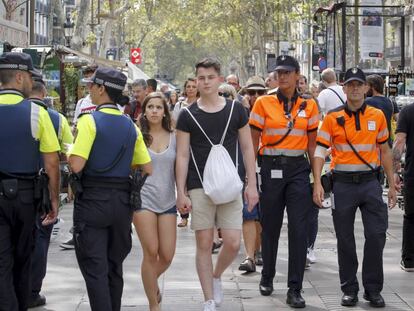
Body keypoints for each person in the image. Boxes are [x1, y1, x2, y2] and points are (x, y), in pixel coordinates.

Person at [176, 58, 258, 311]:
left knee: (233, 242)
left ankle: (216, 275)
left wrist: (252, 184)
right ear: (196, 81)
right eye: (201, 78)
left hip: (230, 184)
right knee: (204, 243)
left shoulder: (236, 110)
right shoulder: (187, 115)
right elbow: (182, 155)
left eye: (210, 77)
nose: (205, 82)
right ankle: (209, 299)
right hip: (199, 184)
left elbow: (247, 147)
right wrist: (181, 192)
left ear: (220, 79)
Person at [68, 67, 152, 311]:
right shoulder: (130, 126)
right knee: (115, 266)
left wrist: (69, 150)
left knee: (95, 269)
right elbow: (147, 167)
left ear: (102, 89)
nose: (89, 90)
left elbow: (76, 164)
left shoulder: (89, 121)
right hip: (122, 203)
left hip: (93, 200)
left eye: (91, 85)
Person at [313, 67, 397, 308]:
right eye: (350, 84)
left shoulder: (377, 115)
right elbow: (320, 150)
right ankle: (349, 289)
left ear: (365, 87)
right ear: (344, 87)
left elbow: (385, 150)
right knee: (345, 239)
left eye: (359, 84)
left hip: (371, 184)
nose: (355, 88)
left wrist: (392, 184)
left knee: (376, 235)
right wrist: (317, 182)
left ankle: (373, 290)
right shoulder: (332, 118)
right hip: (343, 186)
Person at [249, 55, 319, 308]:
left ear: (298, 75)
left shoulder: (309, 106)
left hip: (299, 170)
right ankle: (267, 276)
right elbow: (252, 141)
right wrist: (250, 178)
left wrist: (317, 180)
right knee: (271, 226)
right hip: (270, 168)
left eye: (288, 72)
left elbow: (312, 146)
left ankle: (295, 288)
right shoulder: (263, 103)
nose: (283, 76)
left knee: (299, 230)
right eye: (279, 72)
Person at [0, 52, 60, 311]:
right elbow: (52, 163)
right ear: (20, 77)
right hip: (26, 197)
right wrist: (54, 199)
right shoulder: (37, 113)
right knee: (24, 258)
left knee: (1, 260)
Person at [28, 76, 74, 308]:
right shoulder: (58, 119)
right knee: (41, 239)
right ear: (44, 93)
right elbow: (67, 153)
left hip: (12, 188)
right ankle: (33, 290)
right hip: (44, 189)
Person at [133, 92, 176, 311]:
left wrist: (184, 194)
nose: (154, 111)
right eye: (150, 107)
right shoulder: (137, 136)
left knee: (167, 255)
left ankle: (150, 282)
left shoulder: (175, 136)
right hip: (143, 199)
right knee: (151, 251)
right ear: (144, 110)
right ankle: (153, 304)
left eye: (159, 107)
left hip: (168, 199)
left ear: (165, 112)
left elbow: (181, 168)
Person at [238, 76, 266, 274]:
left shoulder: (272, 111)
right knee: (249, 214)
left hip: (268, 170)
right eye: (251, 92)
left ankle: (260, 250)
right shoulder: (240, 114)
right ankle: (250, 256)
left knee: (263, 217)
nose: (255, 96)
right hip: (247, 173)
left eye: (260, 92)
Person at [393, 102, 414, 272]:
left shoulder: (408, 111)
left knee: (411, 216)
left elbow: (399, 142)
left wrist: (394, 171)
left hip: (413, 173)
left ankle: (409, 260)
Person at [365, 74, 395, 147]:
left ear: (373, 87)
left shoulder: (367, 102)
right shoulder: (391, 102)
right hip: (387, 142)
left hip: (373, 143)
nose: (365, 88)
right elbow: (398, 119)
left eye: (366, 86)